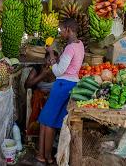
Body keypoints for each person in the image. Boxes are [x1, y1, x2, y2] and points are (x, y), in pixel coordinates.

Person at [36, 18, 85, 164]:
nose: (60, 33)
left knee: (48, 121)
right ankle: (43, 155)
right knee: (47, 120)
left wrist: (51, 53)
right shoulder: (80, 44)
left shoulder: (70, 48)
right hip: (71, 84)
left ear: (68, 30)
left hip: (63, 85)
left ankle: (48, 157)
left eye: (61, 30)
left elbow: (58, 71)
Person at [25, 51, 58, 135]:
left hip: (53, 97)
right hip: (39, 96)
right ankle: (37, 129)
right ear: (44, 60)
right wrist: (42, 75)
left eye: (54, 61)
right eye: (49, 60)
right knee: (38, 98)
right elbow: (27, 85)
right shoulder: (38, 68)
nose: (51, 63)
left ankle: (52, 132)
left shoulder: (58, 70)